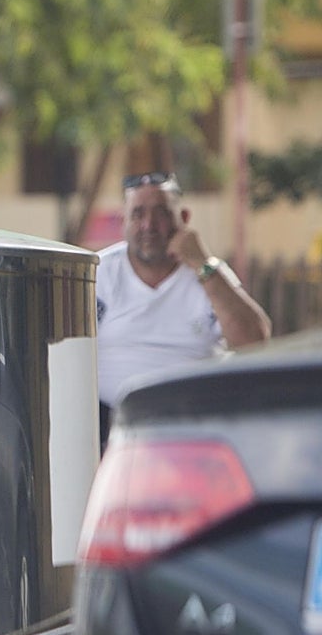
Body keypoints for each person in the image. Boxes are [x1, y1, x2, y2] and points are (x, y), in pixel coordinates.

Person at [96, 172, 272, 447]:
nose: (149, 225)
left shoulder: (209, 273)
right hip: (107, 427)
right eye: (138, 214)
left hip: (191, 423)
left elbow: (254, 340)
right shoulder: (99, 273)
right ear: (124, 222)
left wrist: (202, 264)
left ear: (184, 219)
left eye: (162, 213)